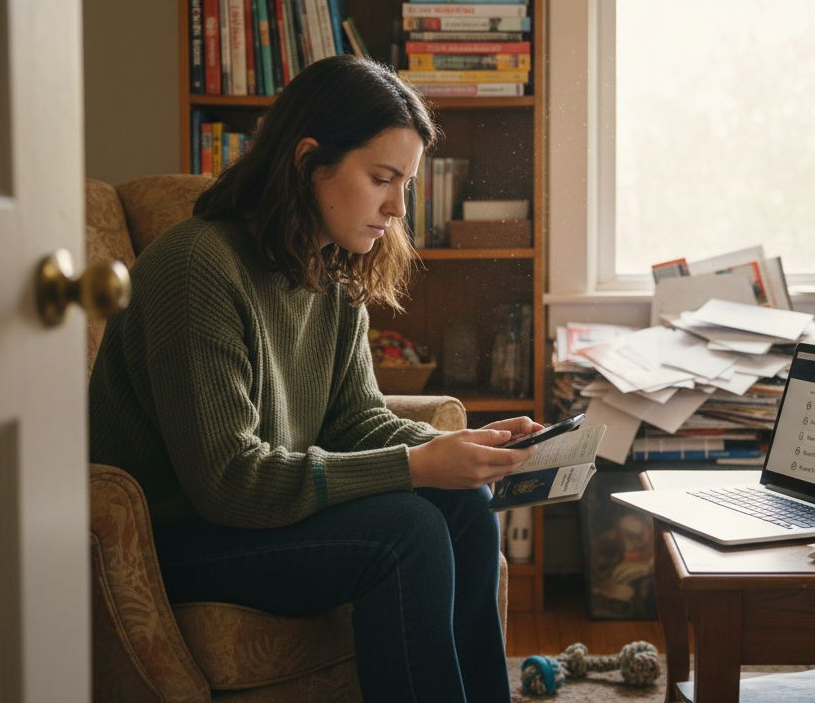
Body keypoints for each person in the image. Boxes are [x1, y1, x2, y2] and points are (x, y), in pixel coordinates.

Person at [90, 55, 540, 703]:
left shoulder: (329, 268)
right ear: (308, 161)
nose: (397, 207)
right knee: (407, 533)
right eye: (382, 179)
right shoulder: (196, 268)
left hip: (262, 519)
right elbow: (228, 482)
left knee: (464, 509)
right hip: (177, 539)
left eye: (406, 184)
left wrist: (461, 449)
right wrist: (416, 466)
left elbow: (353, 418)